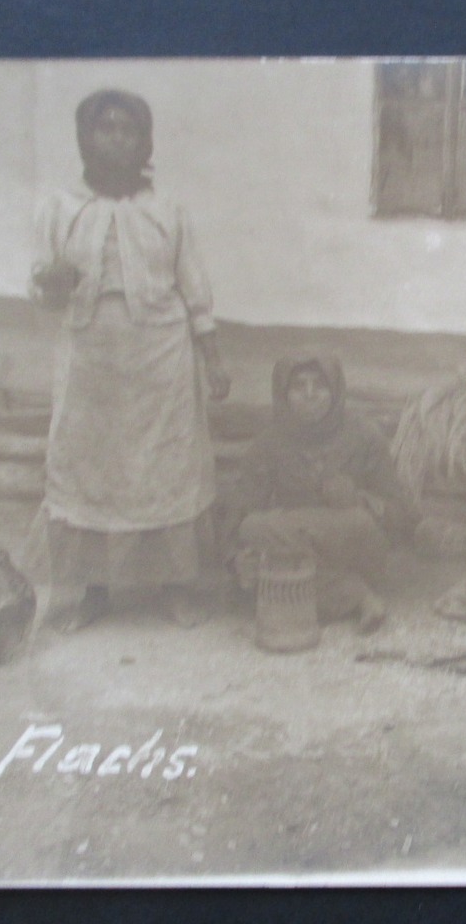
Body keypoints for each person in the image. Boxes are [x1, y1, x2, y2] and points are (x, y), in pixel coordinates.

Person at [30, 88, 231, 632]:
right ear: (85, 138)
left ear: (145, 142)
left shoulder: (168, 210)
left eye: (128, 130)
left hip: (159, 359)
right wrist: (51, 282)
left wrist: (212, 361)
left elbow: (195, 289)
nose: (116, 139)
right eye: (105, 128)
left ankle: (176, 586)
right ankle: (91, 591)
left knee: (165, 470)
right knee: (89, 470)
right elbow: (43, 286)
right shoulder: (60, 208)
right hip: (90, 356)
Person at [226, 351, 417, 634]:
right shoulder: (268, 444)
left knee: (357, 522)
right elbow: (238, 512)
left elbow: (404, 515)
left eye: (320, 385)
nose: (310, 394)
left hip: (353, 548)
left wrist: (359, 499)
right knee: (254, 528)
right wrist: (234, 561)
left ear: (335, 390)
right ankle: (357, 597)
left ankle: (298, 589)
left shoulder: (364, 437)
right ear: (283, 393)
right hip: (295, 547)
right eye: (298, 386)